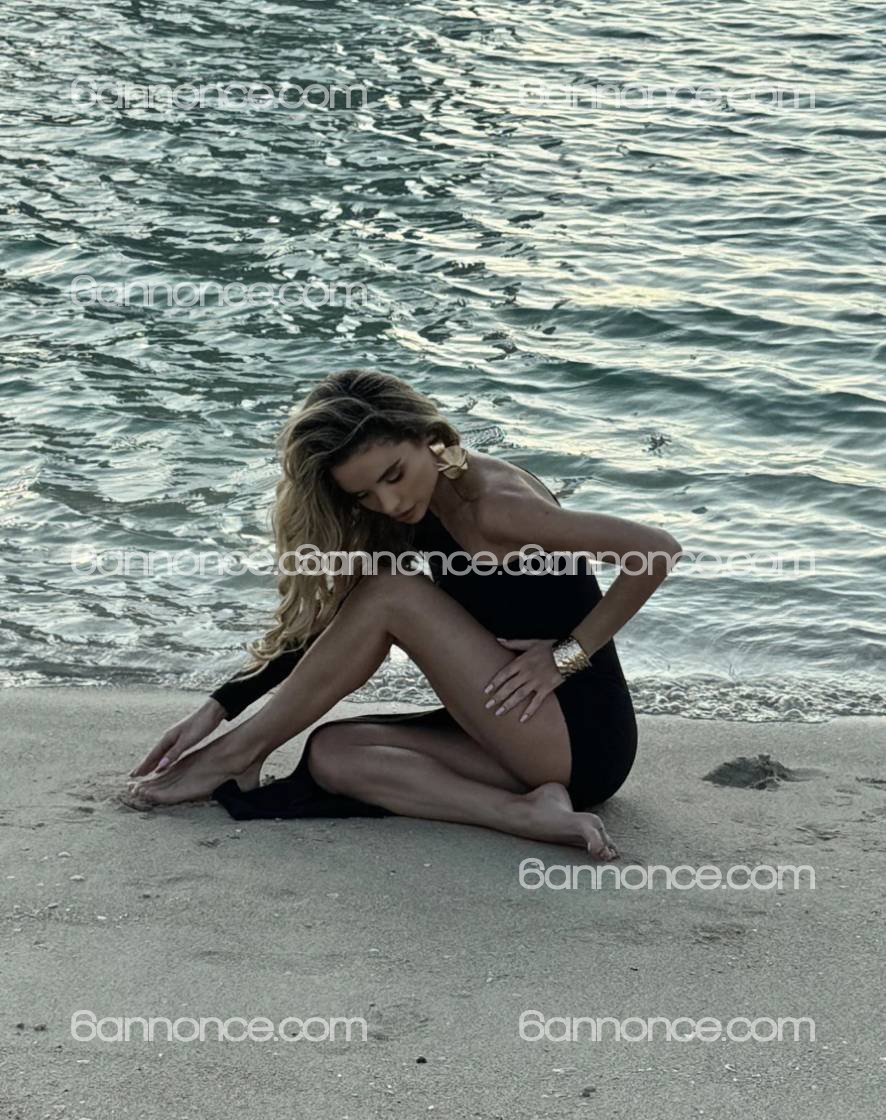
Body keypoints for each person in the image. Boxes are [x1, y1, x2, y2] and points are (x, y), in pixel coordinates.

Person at [128, 369, 682, 858]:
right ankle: (525, 813)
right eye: (364, 495)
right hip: (514, 727)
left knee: (391, 592)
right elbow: (339, 626)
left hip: (578, 734)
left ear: (429, 437)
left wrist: (567, 656)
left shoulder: (494, 507)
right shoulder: (417, 510)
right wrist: (222, 704)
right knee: (333, 753)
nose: (388, 503)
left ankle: (236, 756)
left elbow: (655, 551)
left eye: (393, 474)